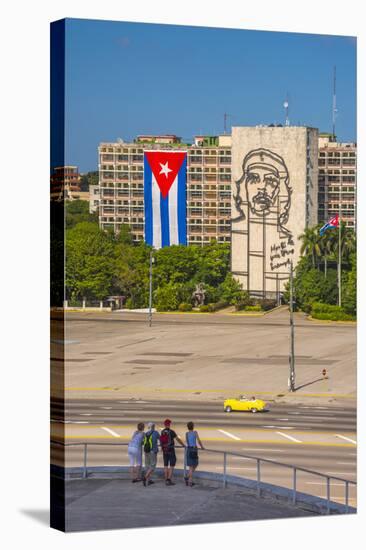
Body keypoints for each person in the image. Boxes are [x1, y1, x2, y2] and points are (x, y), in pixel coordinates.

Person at [160, 418, 185, 486]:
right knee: (171, 465)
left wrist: (162, 448)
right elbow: (177, 439)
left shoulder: (162, 432)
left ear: (164, 425)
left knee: (165, 465)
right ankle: (169, 480)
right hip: (171, 450)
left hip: (165, 450)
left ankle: (166, 480)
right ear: (169, 424)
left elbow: (161, 441)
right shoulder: (171, 432)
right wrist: (183, 445)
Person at [184, 422, 204, 487]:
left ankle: (188, 478)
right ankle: (189, 481)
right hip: (194, 450)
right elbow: (198, 440)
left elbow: (187, 442)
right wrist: (202, 447)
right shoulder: (195, 432)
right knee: (195, 464)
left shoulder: (186, 433)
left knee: (190, 466)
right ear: (193, 426)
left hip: (189, 449)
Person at [142, 422, 160, 487]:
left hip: (146, 451)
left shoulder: (146, 433)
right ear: (153, 427)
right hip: (153, 451)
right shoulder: (155, 433)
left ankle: (149, 480)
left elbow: (142, 442)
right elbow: (160, 439)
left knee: (147, 465)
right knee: (152, 466)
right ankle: (145, 477)